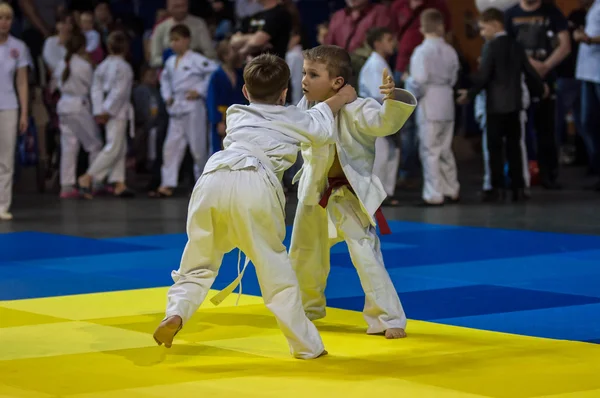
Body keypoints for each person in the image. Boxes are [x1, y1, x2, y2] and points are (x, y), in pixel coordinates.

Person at [153, 54, 358, 359]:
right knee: (276, 272)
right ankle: (307, 347)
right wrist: (341, 97)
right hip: (254, 183)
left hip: (212, 179)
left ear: (246, 93)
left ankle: (176, 312)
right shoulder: (292, 118)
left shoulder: (236, 113)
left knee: (197, 261)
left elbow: (290, 116)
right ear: (285, 93)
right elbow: (318, 125)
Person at [289, 45, 416, 339]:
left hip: (347, 196)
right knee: (304, 254)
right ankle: (305, 310)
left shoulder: (360, 108)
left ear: (337, 81)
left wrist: (393, 99)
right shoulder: (305, 109)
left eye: (313, 74)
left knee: (365, 254)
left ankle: (387, 317)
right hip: (312, 194)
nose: (304, 80)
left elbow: (385, 123)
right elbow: (296, 129)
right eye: (304, 73)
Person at [458, 7, 546, 202]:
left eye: (483, 28)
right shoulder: (516, 45)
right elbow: (529, 71)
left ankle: (496, 189)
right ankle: (519, 189)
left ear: (494, 24)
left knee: (495, 150)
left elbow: (484, 76)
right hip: (515, 105)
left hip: (495, 107)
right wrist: (541, 89)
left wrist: (470, 94)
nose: (481, 33)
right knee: (515, 148)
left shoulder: (490, 47)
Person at [504, 0, 571, 190]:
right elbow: (504, 45)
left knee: (547, 128)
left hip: (546, 78)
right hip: (519, 80)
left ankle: (548, 174)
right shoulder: (510, 14)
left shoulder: (552, 12)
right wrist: (528, 64)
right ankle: (518, 173)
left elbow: (565, 45)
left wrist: (546, 66)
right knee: (517, 129)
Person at [156, 24, 219, 198]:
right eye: (172, 40)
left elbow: (214, 73)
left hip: (194, 107)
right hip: (176, 108)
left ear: (186, 40)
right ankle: (167, 183)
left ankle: (204, 183)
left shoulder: (196, 59)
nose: (174, 44)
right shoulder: (169, 62)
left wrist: (199, 90)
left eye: (177, 40)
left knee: (198, 148)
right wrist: (167, 96)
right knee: (170, 147)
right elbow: (165, 81)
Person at [405, 8, 459, 206]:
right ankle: (451, 189)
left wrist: (408, 83)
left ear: (422, 27)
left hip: (430, 101)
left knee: (430, 150)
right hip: (447, 101)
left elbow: (418, 80)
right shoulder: (450, 50)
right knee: (445, 148)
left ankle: (434, 194)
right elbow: (454, 78)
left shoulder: (422, 51)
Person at [78, 30, 135, 198]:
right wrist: (108, 111)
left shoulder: (102, 66)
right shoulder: (124, 68)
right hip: (116, 112)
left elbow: (95, 90)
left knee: (119, 147)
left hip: (108, 110)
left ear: (108, 47)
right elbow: (120, 92)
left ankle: (118, 182)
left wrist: (100, 110)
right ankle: (88, 176)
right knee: (113, 147)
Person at [54, 31, 103, 199]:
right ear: (82, 46)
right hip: (78, 106)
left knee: (69, 146)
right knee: (95, 145)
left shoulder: (62, 63)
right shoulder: (83, 65)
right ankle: (94, 181)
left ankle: (66, 186)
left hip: (63, 106)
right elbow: (93, 86)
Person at [359, 27, 401, 205]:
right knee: (381, 154)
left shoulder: (381, 63)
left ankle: (385, 192)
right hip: (376, 113)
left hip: (383, 113)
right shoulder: (375, 65)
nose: (393, 43)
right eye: (388, 39)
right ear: (377, 43)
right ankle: (377, 193)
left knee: (390, 153)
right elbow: (380, 94)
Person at [0, 2, 30, 221]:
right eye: (1, 18)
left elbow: (22, 82)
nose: (4, 22)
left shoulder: (18, 47)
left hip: (9, 105)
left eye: (8, 18)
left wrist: (23, 112)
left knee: (6, 158)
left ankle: (2, 205)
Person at [574, 0, 600, 190]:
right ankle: (596, 165)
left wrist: (588, 39)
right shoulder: (592, 8)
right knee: (587, 122)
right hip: (587, 73)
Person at [206, 38, 246, 155]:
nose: (236, 53)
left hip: (239, 118)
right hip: (222, 118)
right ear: (225, 56)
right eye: (233, 50)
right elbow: (212, 102)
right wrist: (218, 121)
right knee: (220, 152)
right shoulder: (216, 76)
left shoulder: (239, 74)